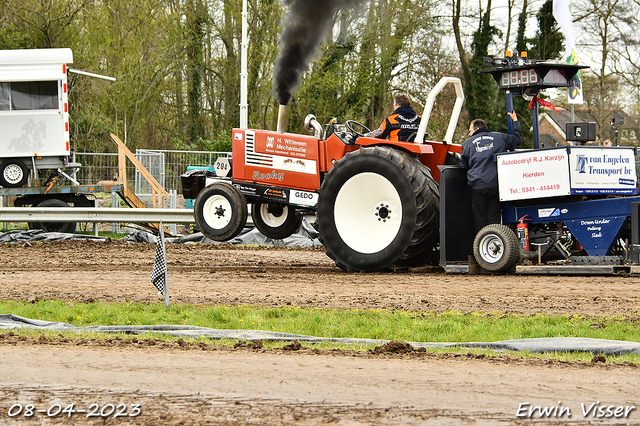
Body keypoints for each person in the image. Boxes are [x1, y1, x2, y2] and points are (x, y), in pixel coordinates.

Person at [460, 111, 522, 233]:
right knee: (494, 218)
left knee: (480, 219)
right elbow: (517, 140)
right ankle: (495, 244)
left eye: (470, 130)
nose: (469, 133)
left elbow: (463, 165)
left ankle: (483, 246)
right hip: (495, 185)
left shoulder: (467, 144)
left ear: (476, 129)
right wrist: (515, 121)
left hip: (478, 187)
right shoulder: (499, 137)